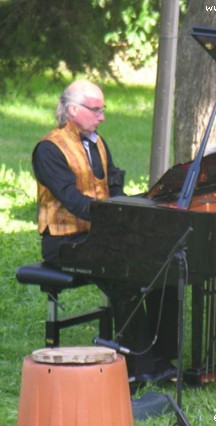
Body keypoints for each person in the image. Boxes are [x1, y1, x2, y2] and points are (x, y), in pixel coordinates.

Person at [32, 79, 177, 386]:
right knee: (125, 274)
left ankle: (163, 354)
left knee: (164, 264)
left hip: (100, 234)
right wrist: (116, 221)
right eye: (96, 110)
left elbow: (113, 190)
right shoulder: (49, 149)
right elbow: (73, 202)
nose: (102, 116)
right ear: (73, 110)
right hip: (64, 241)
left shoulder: (98, 142)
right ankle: (138, 368)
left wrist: (136, 207)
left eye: (102, 109)